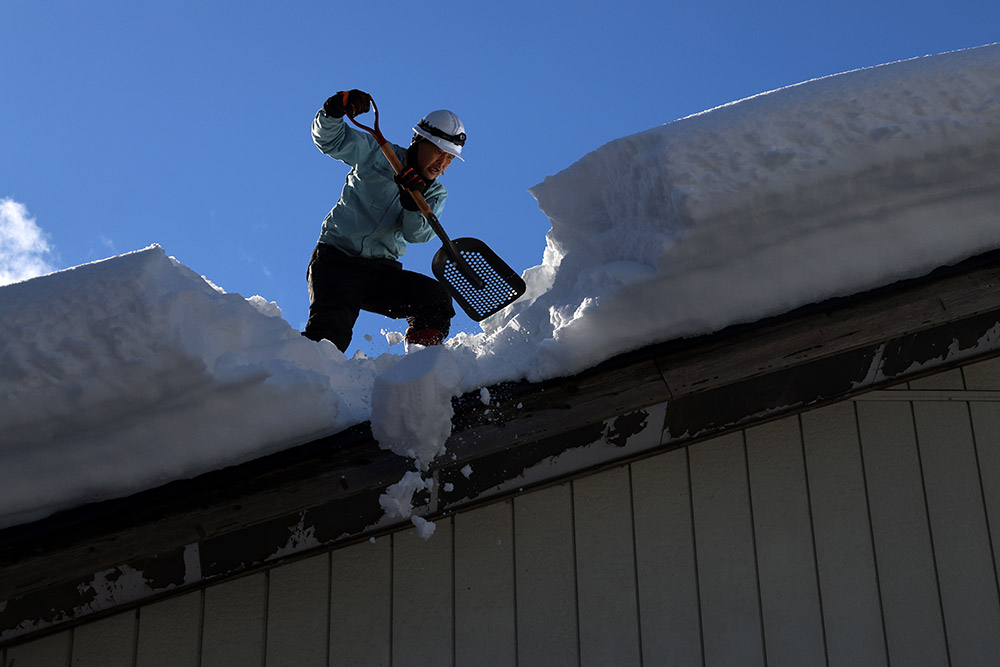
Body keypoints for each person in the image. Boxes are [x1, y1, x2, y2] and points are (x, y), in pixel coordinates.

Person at [303, 89, 465, 353]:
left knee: (435, 300)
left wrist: (412, 203)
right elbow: (331, 140)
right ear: (418, 141)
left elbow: (417, 235)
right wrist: (332, 113)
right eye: (438, 152)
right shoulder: (376, 154)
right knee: (329, 338)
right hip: (337, 262)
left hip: (380, 273)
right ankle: (297, 384)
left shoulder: (435, 193)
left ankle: (418, 371)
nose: (442, 163)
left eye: (449, 158)